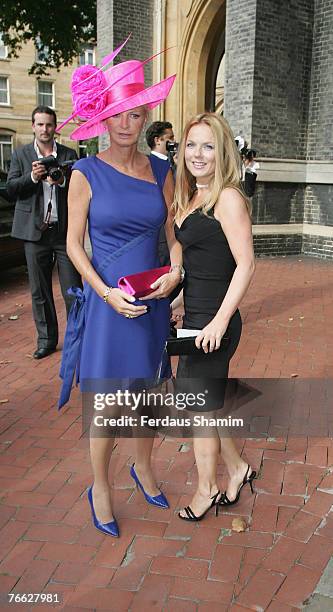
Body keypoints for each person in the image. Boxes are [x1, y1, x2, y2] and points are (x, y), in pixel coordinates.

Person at [58, 45, 183, 537]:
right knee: (108, 404)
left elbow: (171, 236)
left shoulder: (162, 172)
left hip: (151, 299)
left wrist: (176, 273)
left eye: (134, 115)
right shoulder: (85, 173)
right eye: (116, 116)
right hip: (111, 306)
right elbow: (72, 245)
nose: (126, 125)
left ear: (145, 116)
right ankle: (101, 487)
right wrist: (105, 294)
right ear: (102, 120)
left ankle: (145, 467)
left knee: (149, 394)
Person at [172, 112, 256, 521]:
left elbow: (245, 265)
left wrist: (220, 320)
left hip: (215, 323)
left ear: (222, 151)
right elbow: (200, 260)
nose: (197, 153)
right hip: (195, 317)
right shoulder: (194, 195)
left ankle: (206, 491)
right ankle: (239, 468)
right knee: (206, 406)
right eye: (191, 145)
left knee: (200, 409)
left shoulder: (228, 197)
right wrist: (179, 300)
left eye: (207, 145)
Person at [6, 106, 82, 359]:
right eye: (40, 125)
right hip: (34, 233)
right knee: (40, 291)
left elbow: (81, 189)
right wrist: (32, 177)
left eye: (49, 125)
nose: (45, 129)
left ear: (55, 127)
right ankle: (47, 341)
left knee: (73, 289)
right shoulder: (21, 154)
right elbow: (11, 189)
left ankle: (78, 339)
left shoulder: (69, 154)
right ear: (33, 126)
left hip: (63, 233)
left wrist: (61, 182)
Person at [146, 121, 175, 267]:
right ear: (158, 140)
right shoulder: (148, 164)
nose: (173, 142)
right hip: (161, 236)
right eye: (170, 138)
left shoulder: (173, 163)